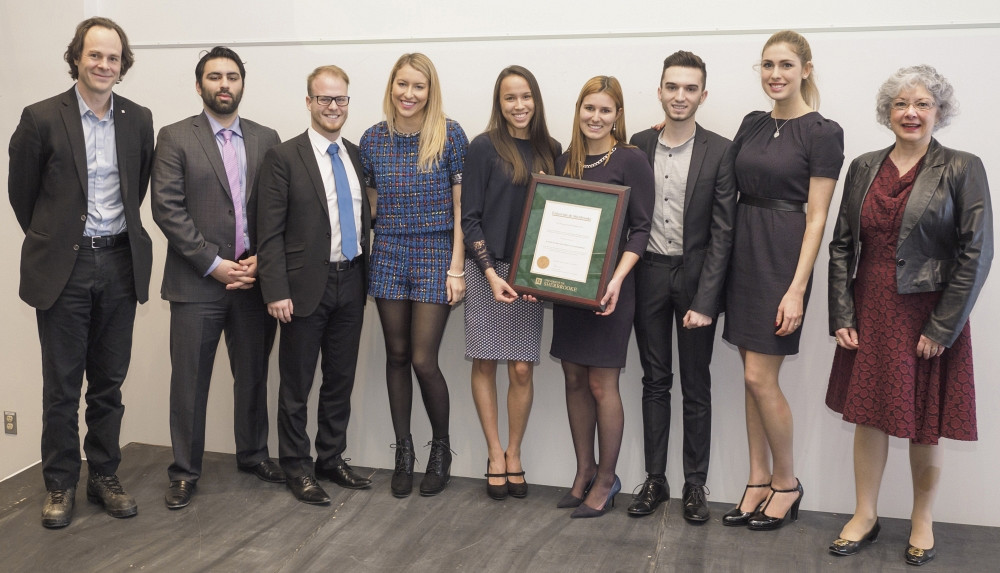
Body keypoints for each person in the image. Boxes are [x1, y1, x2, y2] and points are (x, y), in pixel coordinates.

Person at [825, 65, 992, 566]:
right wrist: (841, 311)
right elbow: (841, 245)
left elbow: (975, 253)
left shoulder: (963, 167)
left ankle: (922, 520)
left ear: (939, 111)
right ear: (887, 112)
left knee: (925, 422)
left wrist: (944, 325)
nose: (911, 113)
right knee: (868, 415)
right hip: (870, 306)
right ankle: (864, 514)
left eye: (922, 104)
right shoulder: (863, 166)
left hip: (929, 311)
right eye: (901, 104)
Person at [8, 17, 154, 529]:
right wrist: (61, 240)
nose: (104, 65)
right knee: (62, 386)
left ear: (123, 64)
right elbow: (22, 196)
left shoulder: (139, 120)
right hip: (64, 268)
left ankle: (105, 476)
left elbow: (136, 192)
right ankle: (60, 483)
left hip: (119, 262)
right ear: (76, 58)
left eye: (113, 58)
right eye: (95, 55)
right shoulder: (41, 117)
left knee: (109, 384)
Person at [720, 30, 844, 530]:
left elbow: (818, 216)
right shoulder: (751, 124)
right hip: (743, 251)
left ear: (806, 70)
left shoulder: (823, 131)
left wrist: (797, 287)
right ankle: (756, 478)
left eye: (787, 65)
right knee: (748, 376)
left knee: (759, 376)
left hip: (783, 256)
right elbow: (722, 175)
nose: (776, 74)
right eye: (768, 64)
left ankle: (787, 484)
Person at [151, 46, 283, 510]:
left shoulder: (268, 138)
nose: (223, 84)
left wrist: (260, 262)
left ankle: (253, 454)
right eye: (214, 77)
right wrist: (213, 262)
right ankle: (185, 471)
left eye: (232, 76)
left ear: (243, 83)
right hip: (196, 283)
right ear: (199, 85)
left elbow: (276, 209)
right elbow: (166, 208)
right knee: (189, 382)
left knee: (252, 375)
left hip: (252, 281)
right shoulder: (173, 137)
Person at [256, 65, 373, 505]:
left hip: (351, 282)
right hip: (303, 289)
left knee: (339, 380)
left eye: (340, 99)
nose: (333, 107)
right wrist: (275, 289)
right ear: (308, 103)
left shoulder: (358, 156)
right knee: (296, 385)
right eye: (324, 99)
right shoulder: (284, 157)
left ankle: (331, 458)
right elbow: (269, 231)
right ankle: (296, 467)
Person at [626, 51, 735, 521]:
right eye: (672, 87)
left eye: (690, 88)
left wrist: (707, 299)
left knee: (696, 384)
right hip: (647, 274)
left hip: (695, 282)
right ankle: (654, 480)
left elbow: (723, 231)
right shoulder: (637, 145)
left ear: (703, 95)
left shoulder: (722, 150)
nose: (680, 96)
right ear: (660, 90)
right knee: (654, 381)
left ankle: (695, 485)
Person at [360, 53, 468, 498]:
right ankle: (403, 451)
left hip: (435, 253)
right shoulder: (372, 139)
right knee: (397, 356)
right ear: (391, 87)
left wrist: (457, 267)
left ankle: (439, 450)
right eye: (402, 85)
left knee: (424, 360)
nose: (409, 94)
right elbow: (369, 206)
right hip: (387, 253)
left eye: (418, 86)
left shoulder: (449, 134)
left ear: (430, 90)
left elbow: (463, 208)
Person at [553, 76, 654, 518]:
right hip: (570, 290)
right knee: (573, 378)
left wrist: (615, 278)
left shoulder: (631, 159)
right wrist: (542, 278)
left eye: (605, 110)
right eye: (588, 108)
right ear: (579, 111)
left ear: (618, 115)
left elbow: (642, 228)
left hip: (613, 290)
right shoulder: (565, 160)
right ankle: (584, 471)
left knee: (601, 383)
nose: (595, 117)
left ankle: (609, 479)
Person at [461, 66, 561, 500]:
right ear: (499, 104)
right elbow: (469, 218)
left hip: (530, 275)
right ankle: (494, 452)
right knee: (485, 363)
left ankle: (516, 452)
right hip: (488, 270)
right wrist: (487, 272)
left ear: (535, 100)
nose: (519, 106)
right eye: (509, 98)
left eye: (526, 97)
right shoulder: (483, 148)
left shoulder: (552, 149)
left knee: (521, 367)